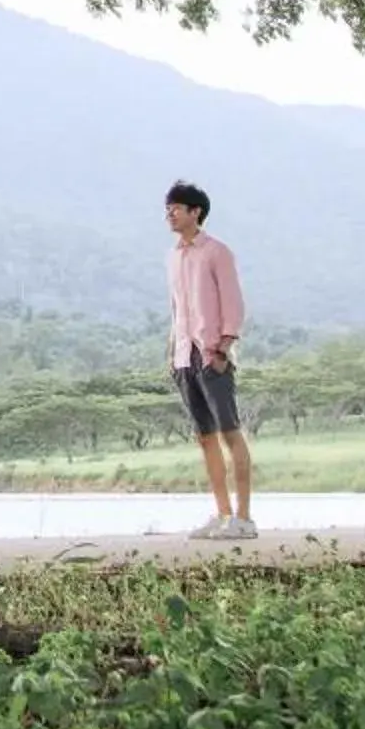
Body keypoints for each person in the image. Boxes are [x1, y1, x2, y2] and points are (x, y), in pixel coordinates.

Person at [164, 178, 253, 539]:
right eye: (167, 209)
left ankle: (244, 519)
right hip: (184, 356)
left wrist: (222, 348)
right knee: (205, 437)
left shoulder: (217, 252)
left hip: (211, 353)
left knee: (230, 432)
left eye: (176, 208)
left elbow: (233, 302)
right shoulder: (173, 257)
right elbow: (176, 309)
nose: (169, 214)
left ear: (194, 212)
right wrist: (172, 354)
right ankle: (222, 514)